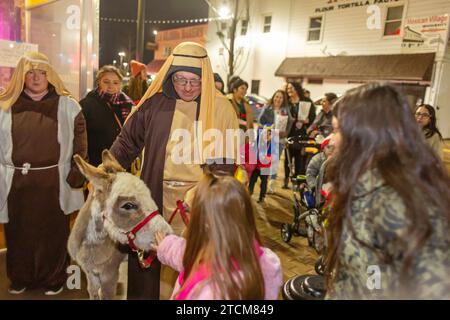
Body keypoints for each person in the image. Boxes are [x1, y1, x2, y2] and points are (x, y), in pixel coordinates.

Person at [109, 42, 239, 300]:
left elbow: (224, 167)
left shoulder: (222, 108)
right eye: (180, 80)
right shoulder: (155, 104)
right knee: (150, 265)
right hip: (154, 198)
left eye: (195, 81)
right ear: (170, 77)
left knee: (190, 263)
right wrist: (105, 174)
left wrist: (201, 196)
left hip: (198, 204)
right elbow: (126, 144)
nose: (188, 87)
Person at [326, 83, 450, 299]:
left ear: (366, 136)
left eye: (338, 130)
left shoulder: (402, 204)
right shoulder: (365, 185)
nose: (331, 139)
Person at [0, 51, 88, 295]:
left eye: (41, 73)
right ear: (21, 76)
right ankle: (20, 276)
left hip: (54, 181)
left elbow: (80, 143)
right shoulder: (5, 106)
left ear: (50, 76)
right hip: (16, 181)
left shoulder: (68, 106)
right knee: (18, 232)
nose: (36, 78)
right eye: (30, 73)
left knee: (53, 233)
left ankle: (54, 277)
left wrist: (77, 172)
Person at [154, 173, 283, 299]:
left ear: (205, 223)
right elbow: (192, 256)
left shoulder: (208, 292)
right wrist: (167, 246)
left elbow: (195, 261)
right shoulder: (266, 264)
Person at [79, 65, 134, 167]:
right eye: (106, 82)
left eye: (115, 83)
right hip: (96, 164)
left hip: (121, 164)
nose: (111, 86)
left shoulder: (127, 105)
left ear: (120, 85)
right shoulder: (86, 105)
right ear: (99, 82)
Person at [258, 89, 293, 194]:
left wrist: (285, 132)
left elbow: (290, 123)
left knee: (274, 161)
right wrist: (267, 128)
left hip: (279, 140)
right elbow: (260, 122)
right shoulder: (267, 108)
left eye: (281, 97)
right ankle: (263, 181)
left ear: (284, 100)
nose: (278, 99)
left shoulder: (286, 111)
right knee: (265, 161)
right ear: (273, 97)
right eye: (276, 96)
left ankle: (271, 184)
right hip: (267, 139)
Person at [283, 82, 316, 188]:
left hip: (302, 134)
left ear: (297, 88)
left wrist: (308, 121)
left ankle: (296, 181)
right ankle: (286, 178)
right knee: (288, 157)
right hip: (289, 133)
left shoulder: (306, 102)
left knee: (299, 159)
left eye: (291, 88)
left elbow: (313, 118)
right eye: (287, 88)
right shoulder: (286, 103)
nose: (289, 90)